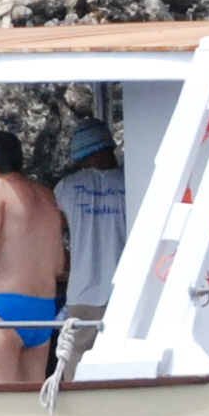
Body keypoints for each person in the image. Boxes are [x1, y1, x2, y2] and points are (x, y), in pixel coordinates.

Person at [0, 129, 66, 384]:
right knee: (30, 402)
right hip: (43, 308)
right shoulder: (46, 194)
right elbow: (59, 265)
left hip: (7, 306)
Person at [55, 116, 129, 312]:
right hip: (127, 293)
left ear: (84, 156)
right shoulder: (131, 182)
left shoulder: (66, 187)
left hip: (82, 295)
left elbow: (53, 233)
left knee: (79, 343)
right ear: (109, 147)